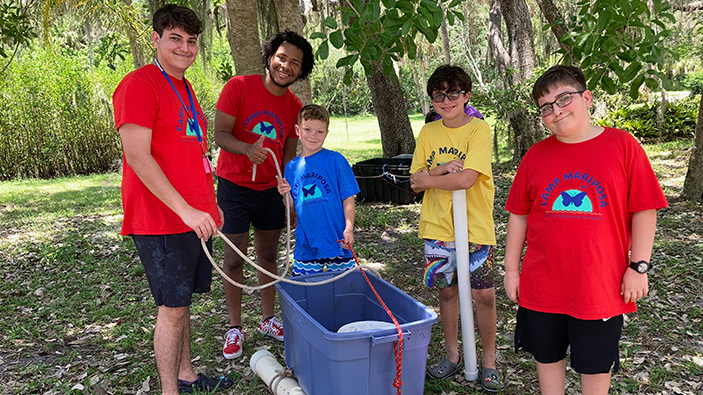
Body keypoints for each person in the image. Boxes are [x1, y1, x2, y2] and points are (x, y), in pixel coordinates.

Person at [503, 65, 668, 395]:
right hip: (542, 284)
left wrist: (639, 267)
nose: (556, 111)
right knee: (547, 358)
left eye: (564, 98)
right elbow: (518, 216)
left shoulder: (622, 145)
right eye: (546, 107)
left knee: (594, 365)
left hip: (599, 287)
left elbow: (645, 209)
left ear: (586, 98)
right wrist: (511, 270)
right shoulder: (535, 156)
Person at [112, 5, 232, 395]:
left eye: (191, 40)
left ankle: (187, 375)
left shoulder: (184, 87)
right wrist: (185, 210)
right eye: (175, 38)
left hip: (194, 216)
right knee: (172, 307)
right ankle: (170, 390)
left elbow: (191, 154)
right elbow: (137, 156)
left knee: (182, 305)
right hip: (160, 219)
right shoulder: (140, 84)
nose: (184, 47)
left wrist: (209, 207)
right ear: (155, 39)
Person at [214, 30, 315, 360]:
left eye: (295, 64)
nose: (286, 66)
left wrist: (290, 195)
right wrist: (246, 149)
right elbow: (220, 135)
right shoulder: (239, 87)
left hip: (270, 191)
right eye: (282, 58)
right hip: (234, 187)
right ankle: (234, 327)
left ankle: (268, 319)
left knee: (269, 257)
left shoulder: (295, 107)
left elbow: (288, 156)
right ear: (271, 56)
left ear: (301, 72)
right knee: (233, 259)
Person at [409, 65, 501, 393]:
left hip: (475, 226)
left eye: (453, 93)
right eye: (438, 95)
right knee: (446, 292)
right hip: (437, 226)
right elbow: (414, 182)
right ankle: (452, 355)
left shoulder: (479, 130)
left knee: (484, 295)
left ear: (466, 96)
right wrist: (441, 170)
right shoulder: (428, 133)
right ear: (432, 99)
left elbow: (467, 179)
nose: (446, 100)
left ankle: (488, 362)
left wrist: (433, 178)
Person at [276, 104, 360, 276]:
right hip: (306, 244)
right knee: (308, 293)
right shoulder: (291, 168)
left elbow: (348, 199)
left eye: (319, 131)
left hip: (338, 241)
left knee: (345, 290)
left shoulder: (336, 160)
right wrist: (284, 194)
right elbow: (292, 207)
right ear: (298, 130)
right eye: (307, 129)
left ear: (326, 133)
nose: (313, 136)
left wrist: (349, 229)